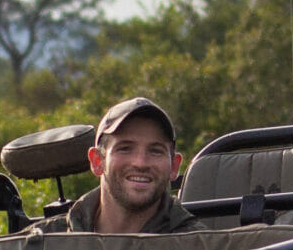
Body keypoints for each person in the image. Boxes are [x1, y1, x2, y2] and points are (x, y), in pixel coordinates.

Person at [34, 96, 200, 235]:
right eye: (125, 149)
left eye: (156, 151)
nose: (140, 163)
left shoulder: (197, 249)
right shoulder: (46, 243)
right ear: (97, 161)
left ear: (174, 166)